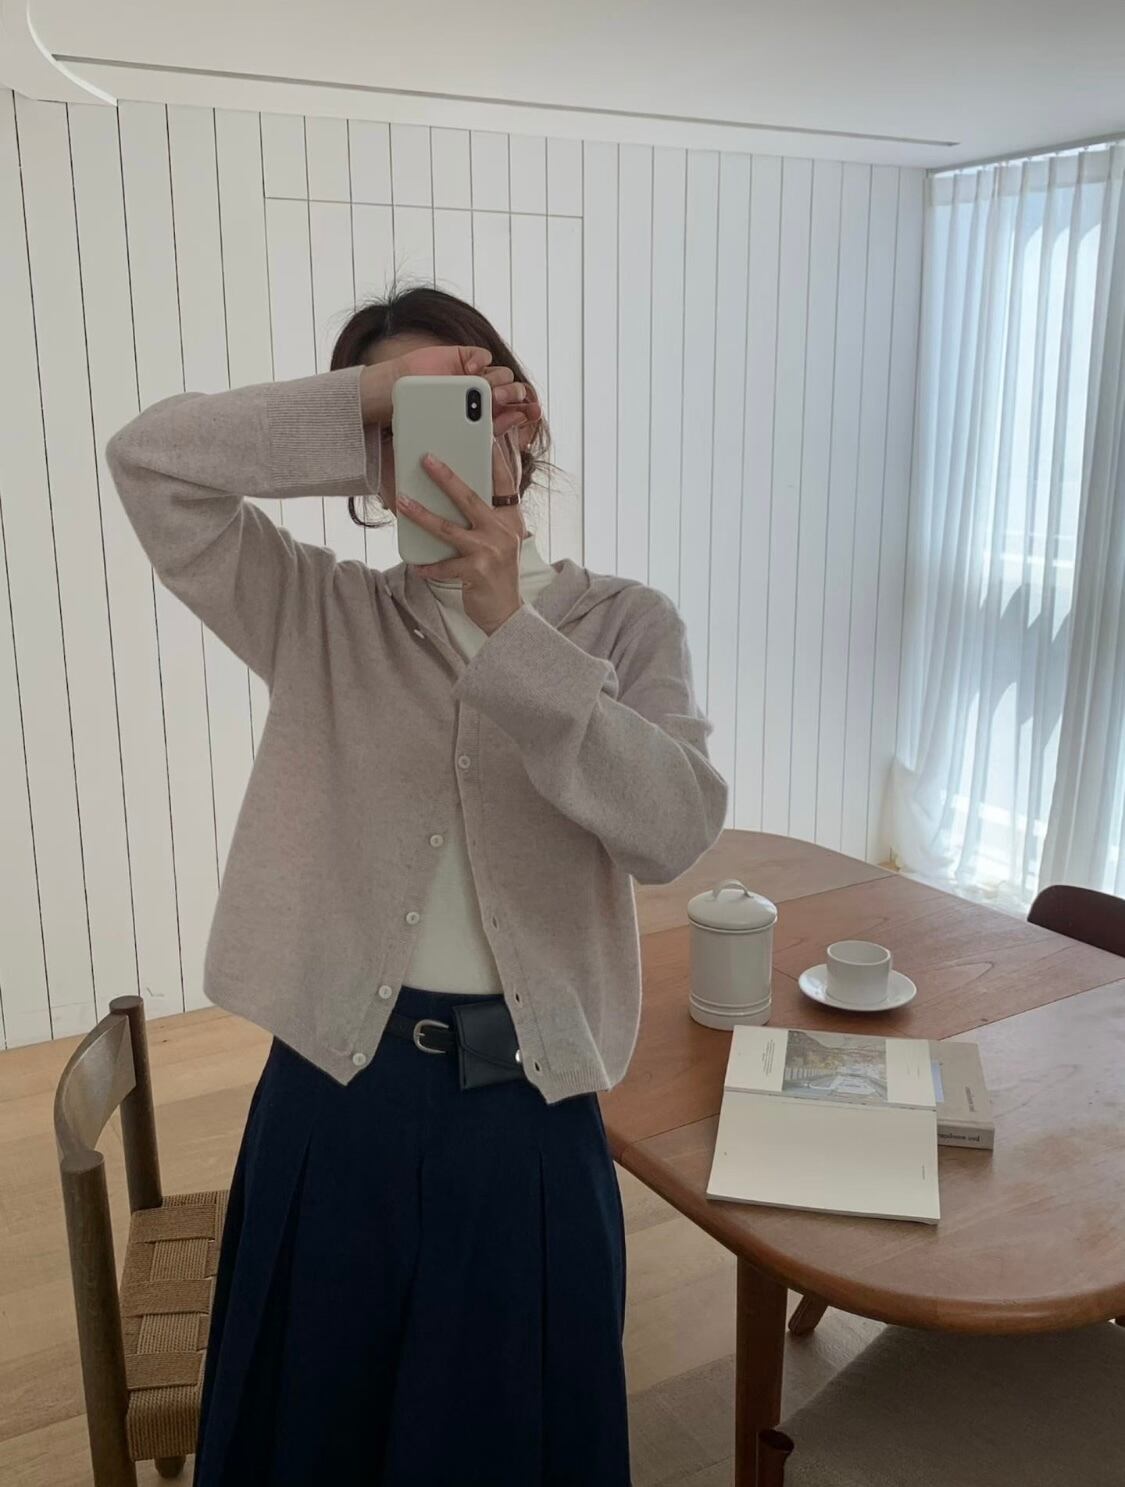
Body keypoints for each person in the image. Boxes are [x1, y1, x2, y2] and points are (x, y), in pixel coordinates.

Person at [105, 284, 728, 1486]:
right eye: (395, 427)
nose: (427, 442)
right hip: (334, 1103)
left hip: (528, 1119)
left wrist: (511, 630)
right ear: (368, 462)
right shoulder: (323, 613)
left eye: (462, 399)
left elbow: (674, 827)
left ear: (521, 421)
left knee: (510, 1444)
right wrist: (363, 400)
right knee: (311, 1441)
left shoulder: (626, 625)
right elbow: (151, 463)